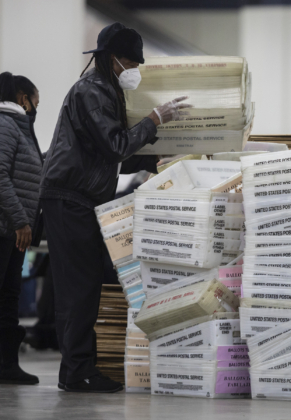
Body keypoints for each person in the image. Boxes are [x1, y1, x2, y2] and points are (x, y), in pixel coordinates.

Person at [40, 22, 191, 393]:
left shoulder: (105, 90)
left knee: (87, 285)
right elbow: (114, 146)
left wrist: (152, 160)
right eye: (129, 61)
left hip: (82, 198)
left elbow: (110, 157)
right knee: (79, 288)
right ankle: (76, 372)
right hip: (69, 199)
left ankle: (78, 369)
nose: (134, 70)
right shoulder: (92, 91)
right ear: (112, 59)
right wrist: (153, 122)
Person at [0, 72, 43, 385]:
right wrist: (21, 221)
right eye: (35, 102)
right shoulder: (4, 125)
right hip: (7, 227)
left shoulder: (19, 128)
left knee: (9, 296)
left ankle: (6, 365)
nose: (35, 109)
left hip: (12, 231)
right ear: (22, 97)